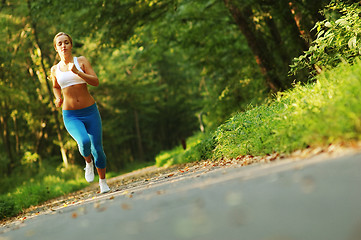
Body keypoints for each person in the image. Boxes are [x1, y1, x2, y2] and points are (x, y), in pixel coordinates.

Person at [50, 32, 110, 193]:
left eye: (66, 42)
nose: (63, 45)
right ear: (56, 48)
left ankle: (103, 182)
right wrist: (57, 98)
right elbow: (56, 86)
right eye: (60, 43)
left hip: (90, 111)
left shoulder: (81, 61)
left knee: (98, 149)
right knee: (83, 142)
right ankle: (88, 163)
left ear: (71, 45)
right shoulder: (55, 69)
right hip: (71, 115)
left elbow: (95, 82)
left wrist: (77, 72)